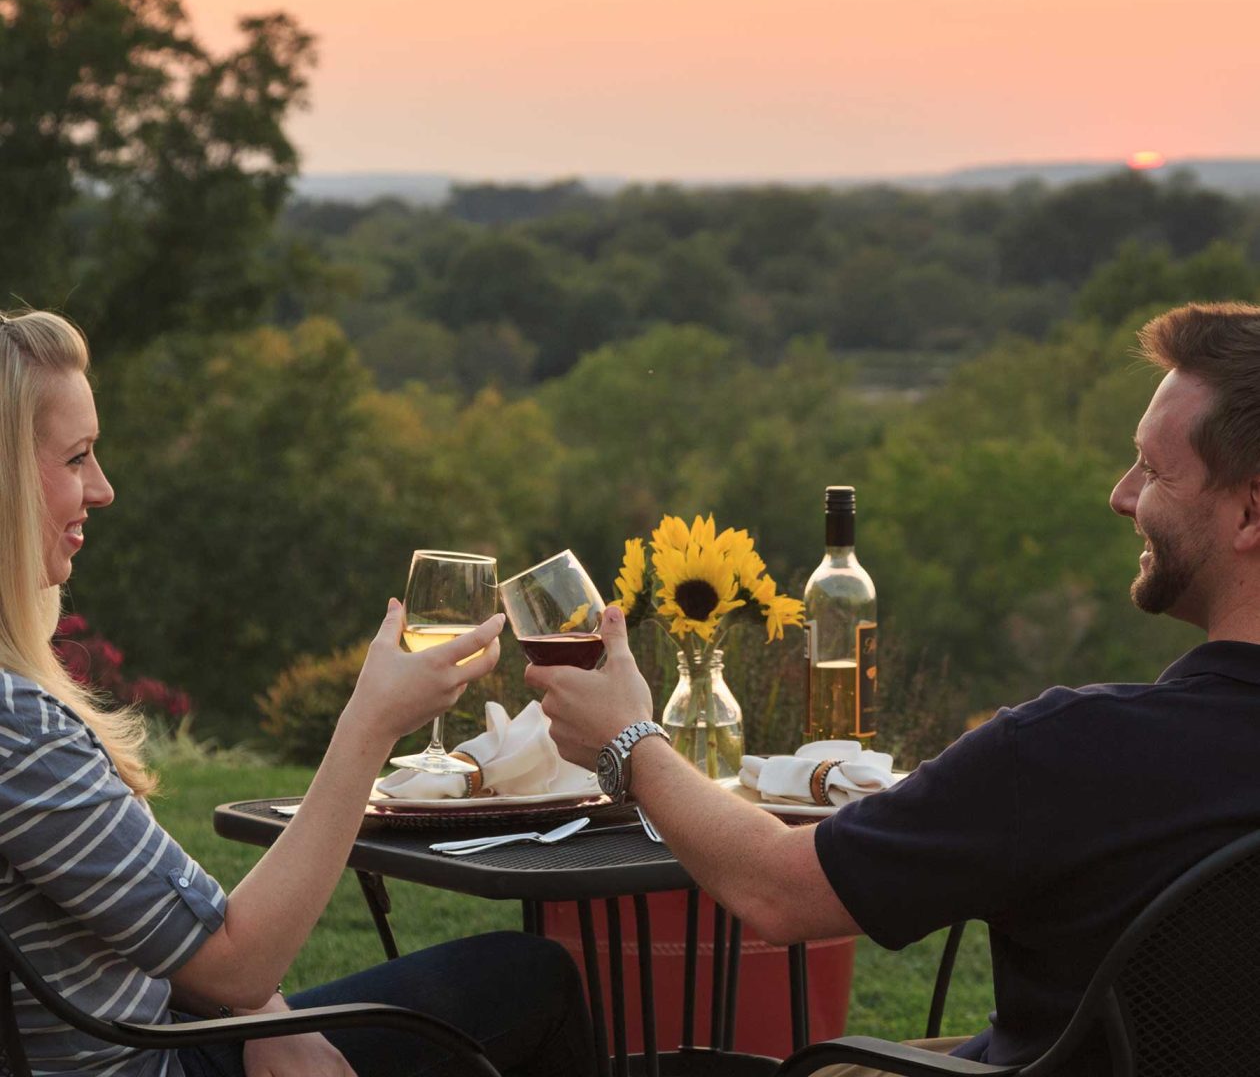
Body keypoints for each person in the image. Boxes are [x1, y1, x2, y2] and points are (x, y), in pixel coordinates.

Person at [528, 300, 1260, 1077]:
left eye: (1152, 469)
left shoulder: (1077, 753)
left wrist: (629, 742)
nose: (1121, 495)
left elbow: (780, 891)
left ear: (1250, 509)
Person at [0, 309, 595, 1077]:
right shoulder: (20, 732)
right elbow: (233, 960)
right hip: (154, 1063)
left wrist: (267, 1017)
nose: (104, 489)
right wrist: (370, 723)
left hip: (169, 1031)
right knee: (531, 980)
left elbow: (168, 920)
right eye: (77, 457)